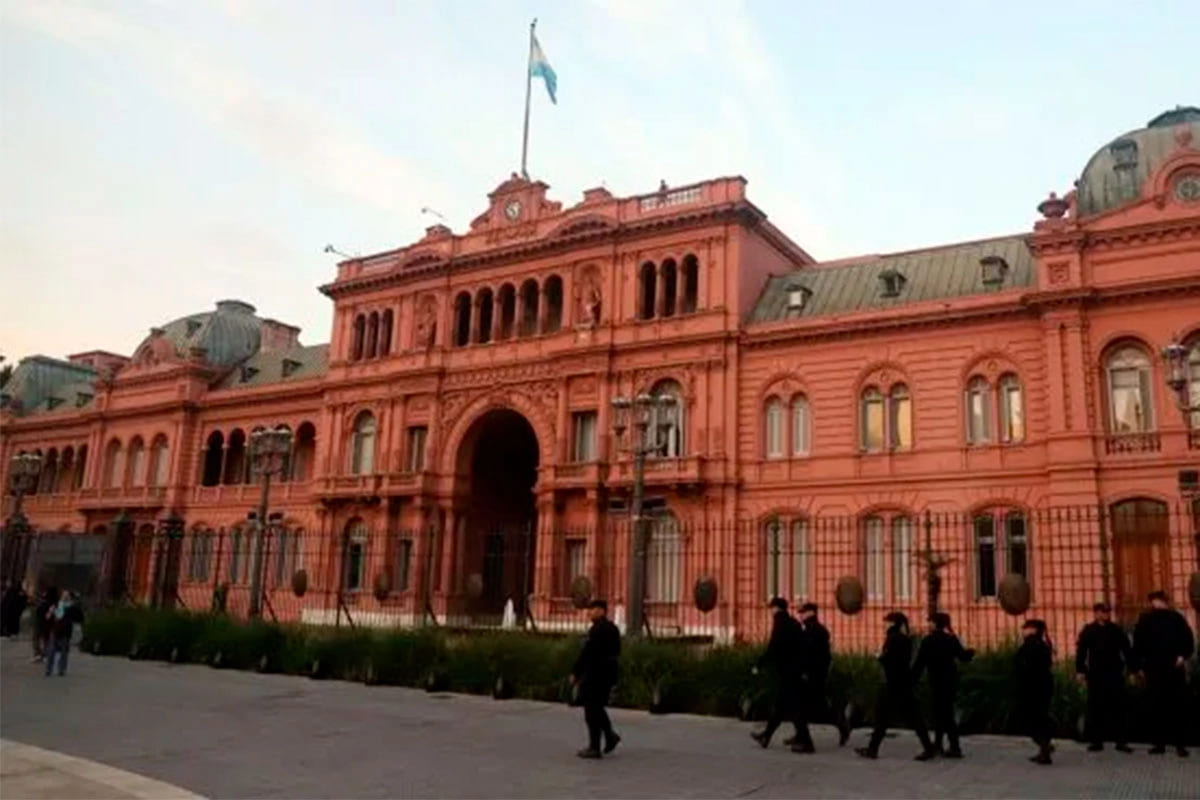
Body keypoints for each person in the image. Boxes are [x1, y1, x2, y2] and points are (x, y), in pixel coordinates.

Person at [856, 611, 936, 761]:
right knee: (911, 716)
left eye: (887, 622)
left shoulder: (893, 638)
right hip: (903, 682)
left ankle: (873, 749)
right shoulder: (905, 639)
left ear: (893, 623)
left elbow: (892, 661)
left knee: (885, 717)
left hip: (893, 683)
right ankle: (928, 747)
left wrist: (880, 657)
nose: (884, 625)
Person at [1132, 590, 1195, 757]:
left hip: (1174, 668)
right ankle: (1159, 744)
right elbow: (1138, 644)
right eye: (1153, 601)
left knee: (1177, 706)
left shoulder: (1176, 618)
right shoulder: (1146, 620)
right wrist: (1138, 667)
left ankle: (1180, 744)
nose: (1156, 603)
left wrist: (1182, 656)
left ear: (1164, 601)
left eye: (1158, 600)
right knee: (1156, 706)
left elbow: (1187, 639)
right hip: (1154, 669)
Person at [750, 597, 809, 752]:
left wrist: (759, 664)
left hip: (787, 672)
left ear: (776, 608)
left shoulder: (780, 623)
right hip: (796, 671)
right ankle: (766, 736)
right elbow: (802, 647)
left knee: (791, 708)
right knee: (783, 707)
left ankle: (806, 742)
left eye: (772, 608)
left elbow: (773, 647)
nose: (771, 611)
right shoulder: (794, 623)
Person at [912, 612, 974, 758]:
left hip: (936, 681)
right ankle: (949, 745)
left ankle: (945, 745)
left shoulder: (928, 641)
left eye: (930, 622)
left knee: (939, 713)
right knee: (947, 713)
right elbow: (963, 656)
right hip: (950, 681)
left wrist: (912, 679)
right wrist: (971, 652)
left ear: (935, 623)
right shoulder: (950, 639)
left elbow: (920, 663)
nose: (928, 624)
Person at [1074, 601, 1133, 753]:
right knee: (1096, 708)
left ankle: (1121, 741)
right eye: (1102, 612)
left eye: (1107, 612)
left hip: (1114, 674)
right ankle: (1096, 741)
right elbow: (1081, 651)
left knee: (1118, 708)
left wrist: (1132, 668)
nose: (1105, 615)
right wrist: (1080, 670)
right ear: (1096, 613)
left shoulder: (1115, 630)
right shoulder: (1089, 631)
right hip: (1096, 674)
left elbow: (1126, 649)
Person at [791, 603, 850, 747]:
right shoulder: (812, 629)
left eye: (803, 612)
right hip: (814, 674)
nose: (800, 616)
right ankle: (802, 736)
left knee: (801, 707)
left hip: (813, 675)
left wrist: (806, 671)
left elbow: (810, 655)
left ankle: (805, 740)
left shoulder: (814, 630)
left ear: (811, 613)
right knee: (812, 707)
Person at [571, 599, 621, 759]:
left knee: (591, 710)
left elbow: (588, 653)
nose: (589, 613)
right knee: (597, 707)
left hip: (596, 674)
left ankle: (595, 747)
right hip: (607, 673)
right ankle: (610, 736)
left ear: (601, 611)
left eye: (592, 609)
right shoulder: (612, 628)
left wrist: (576, 672)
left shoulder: (598, 630)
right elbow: (616, 651)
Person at [1015, 618, 1054, 765]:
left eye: (1026, 628)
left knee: (1032, 720)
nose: (1023, 631)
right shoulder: (1042, 644)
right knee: (1040, 718)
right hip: (1043, 686)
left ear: (1033, 630)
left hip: (1033, 688)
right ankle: (1044, 748)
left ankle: (1044, 748)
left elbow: (1023, 666)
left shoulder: (1032, 645)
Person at [44, 589, 83, 677]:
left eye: (67, 595)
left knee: (63, 651)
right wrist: (50, 612)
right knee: (51, 651)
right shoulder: (57, 605)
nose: (65, 597)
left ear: (69, 597)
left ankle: (61, 669)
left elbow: (79, 618)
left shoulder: (72, 607)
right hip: (55, 630)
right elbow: (47, 617)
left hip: (65, 631)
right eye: (63, 595)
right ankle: (48, 669)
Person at [32, 586, 58, 662]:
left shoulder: (50, 596)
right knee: (39, 637)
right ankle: (40, 654)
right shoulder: (41, 596)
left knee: (43, 637)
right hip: (42, 620)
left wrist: (50, 612)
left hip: (45, 620)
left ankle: (43, 654)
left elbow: (53, 606)